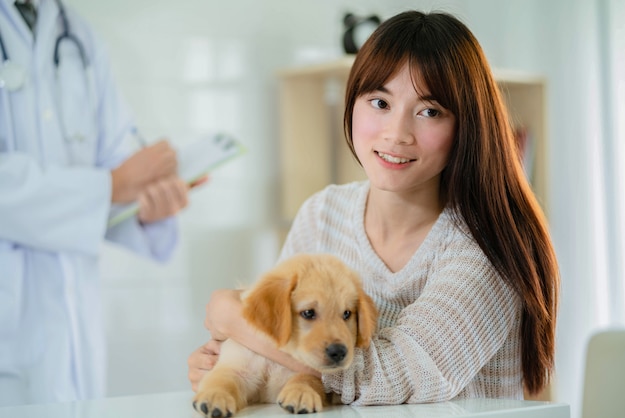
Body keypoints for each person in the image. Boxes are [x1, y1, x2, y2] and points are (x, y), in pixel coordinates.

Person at [187, 10, 560, 405]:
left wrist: (235, 319)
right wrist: (228, 368)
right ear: (351, 104)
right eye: (379, 102)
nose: (396, 133)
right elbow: (281, 359)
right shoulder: (322, 214)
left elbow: (391, 377)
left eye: (429, 111)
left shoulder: (487, 247)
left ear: (466, 126)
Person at [0, 0, 202, 406]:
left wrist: (146, 207)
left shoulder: (77, 34)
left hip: (74, 332)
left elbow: (114, 160)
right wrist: (112, 185)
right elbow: (109, 181)